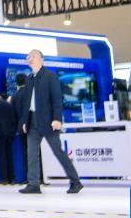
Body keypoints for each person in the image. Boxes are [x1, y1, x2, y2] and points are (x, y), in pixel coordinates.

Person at [15, 49, 82, 194]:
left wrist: (57, 118)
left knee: (58, 152)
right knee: (32, 153)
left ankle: (75, 181)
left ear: (41, 59)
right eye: (28, 56)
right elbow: (27, 102)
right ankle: (33, 184)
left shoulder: (50, 77)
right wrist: (24, 121)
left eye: (33, 56)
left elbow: (57, 99)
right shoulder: (29, 79)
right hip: (32, 121)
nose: (30, 58)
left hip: (48, 122)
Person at [11, 73, 31, 184]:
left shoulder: (14, 96)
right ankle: (41, 176)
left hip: (21, 127)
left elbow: (13, 115)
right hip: (33, 125)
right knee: (37, 152)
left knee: (26, 152)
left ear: (17, 83)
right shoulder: (31, 93)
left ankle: (30, 177)